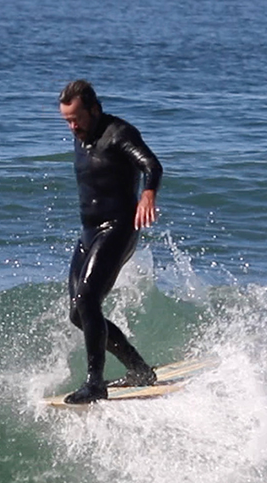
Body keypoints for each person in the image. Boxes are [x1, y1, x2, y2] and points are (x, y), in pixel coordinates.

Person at [57, 79, 163, 404]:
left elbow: (151, 164)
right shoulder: (83, 136)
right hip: (89, 233)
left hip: (118, 228)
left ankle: (95, 383)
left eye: (77, 118)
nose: (73, 127)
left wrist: (147, 195)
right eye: (67, 121)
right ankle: (139, 368)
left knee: (89, 298)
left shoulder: (118, 134)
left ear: (95, 109)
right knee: (78, 312)